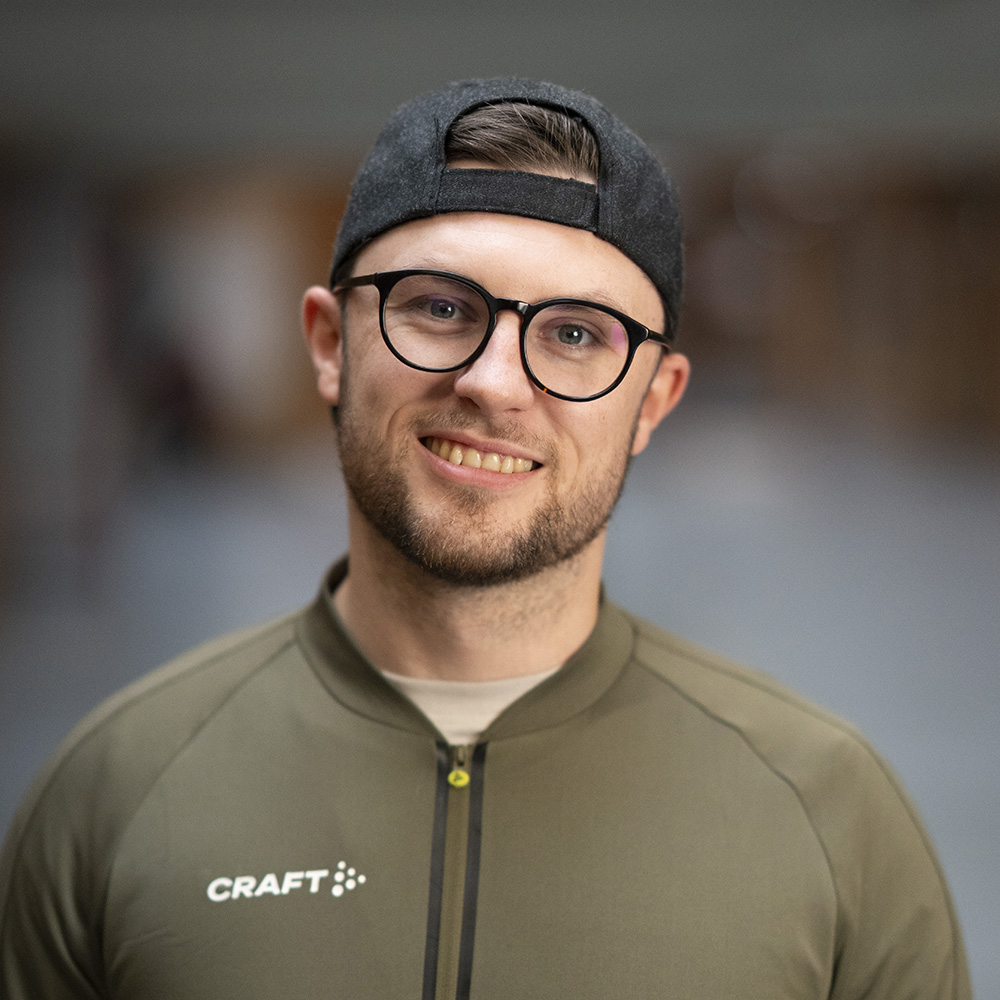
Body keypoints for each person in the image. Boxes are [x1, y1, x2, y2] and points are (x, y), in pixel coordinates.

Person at [0, 78, 970, 1000]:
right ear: (331, 345)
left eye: (577, 334)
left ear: (653, 401)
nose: (495, 384)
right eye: (438, 307)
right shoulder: (118, 789)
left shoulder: (827, 811)